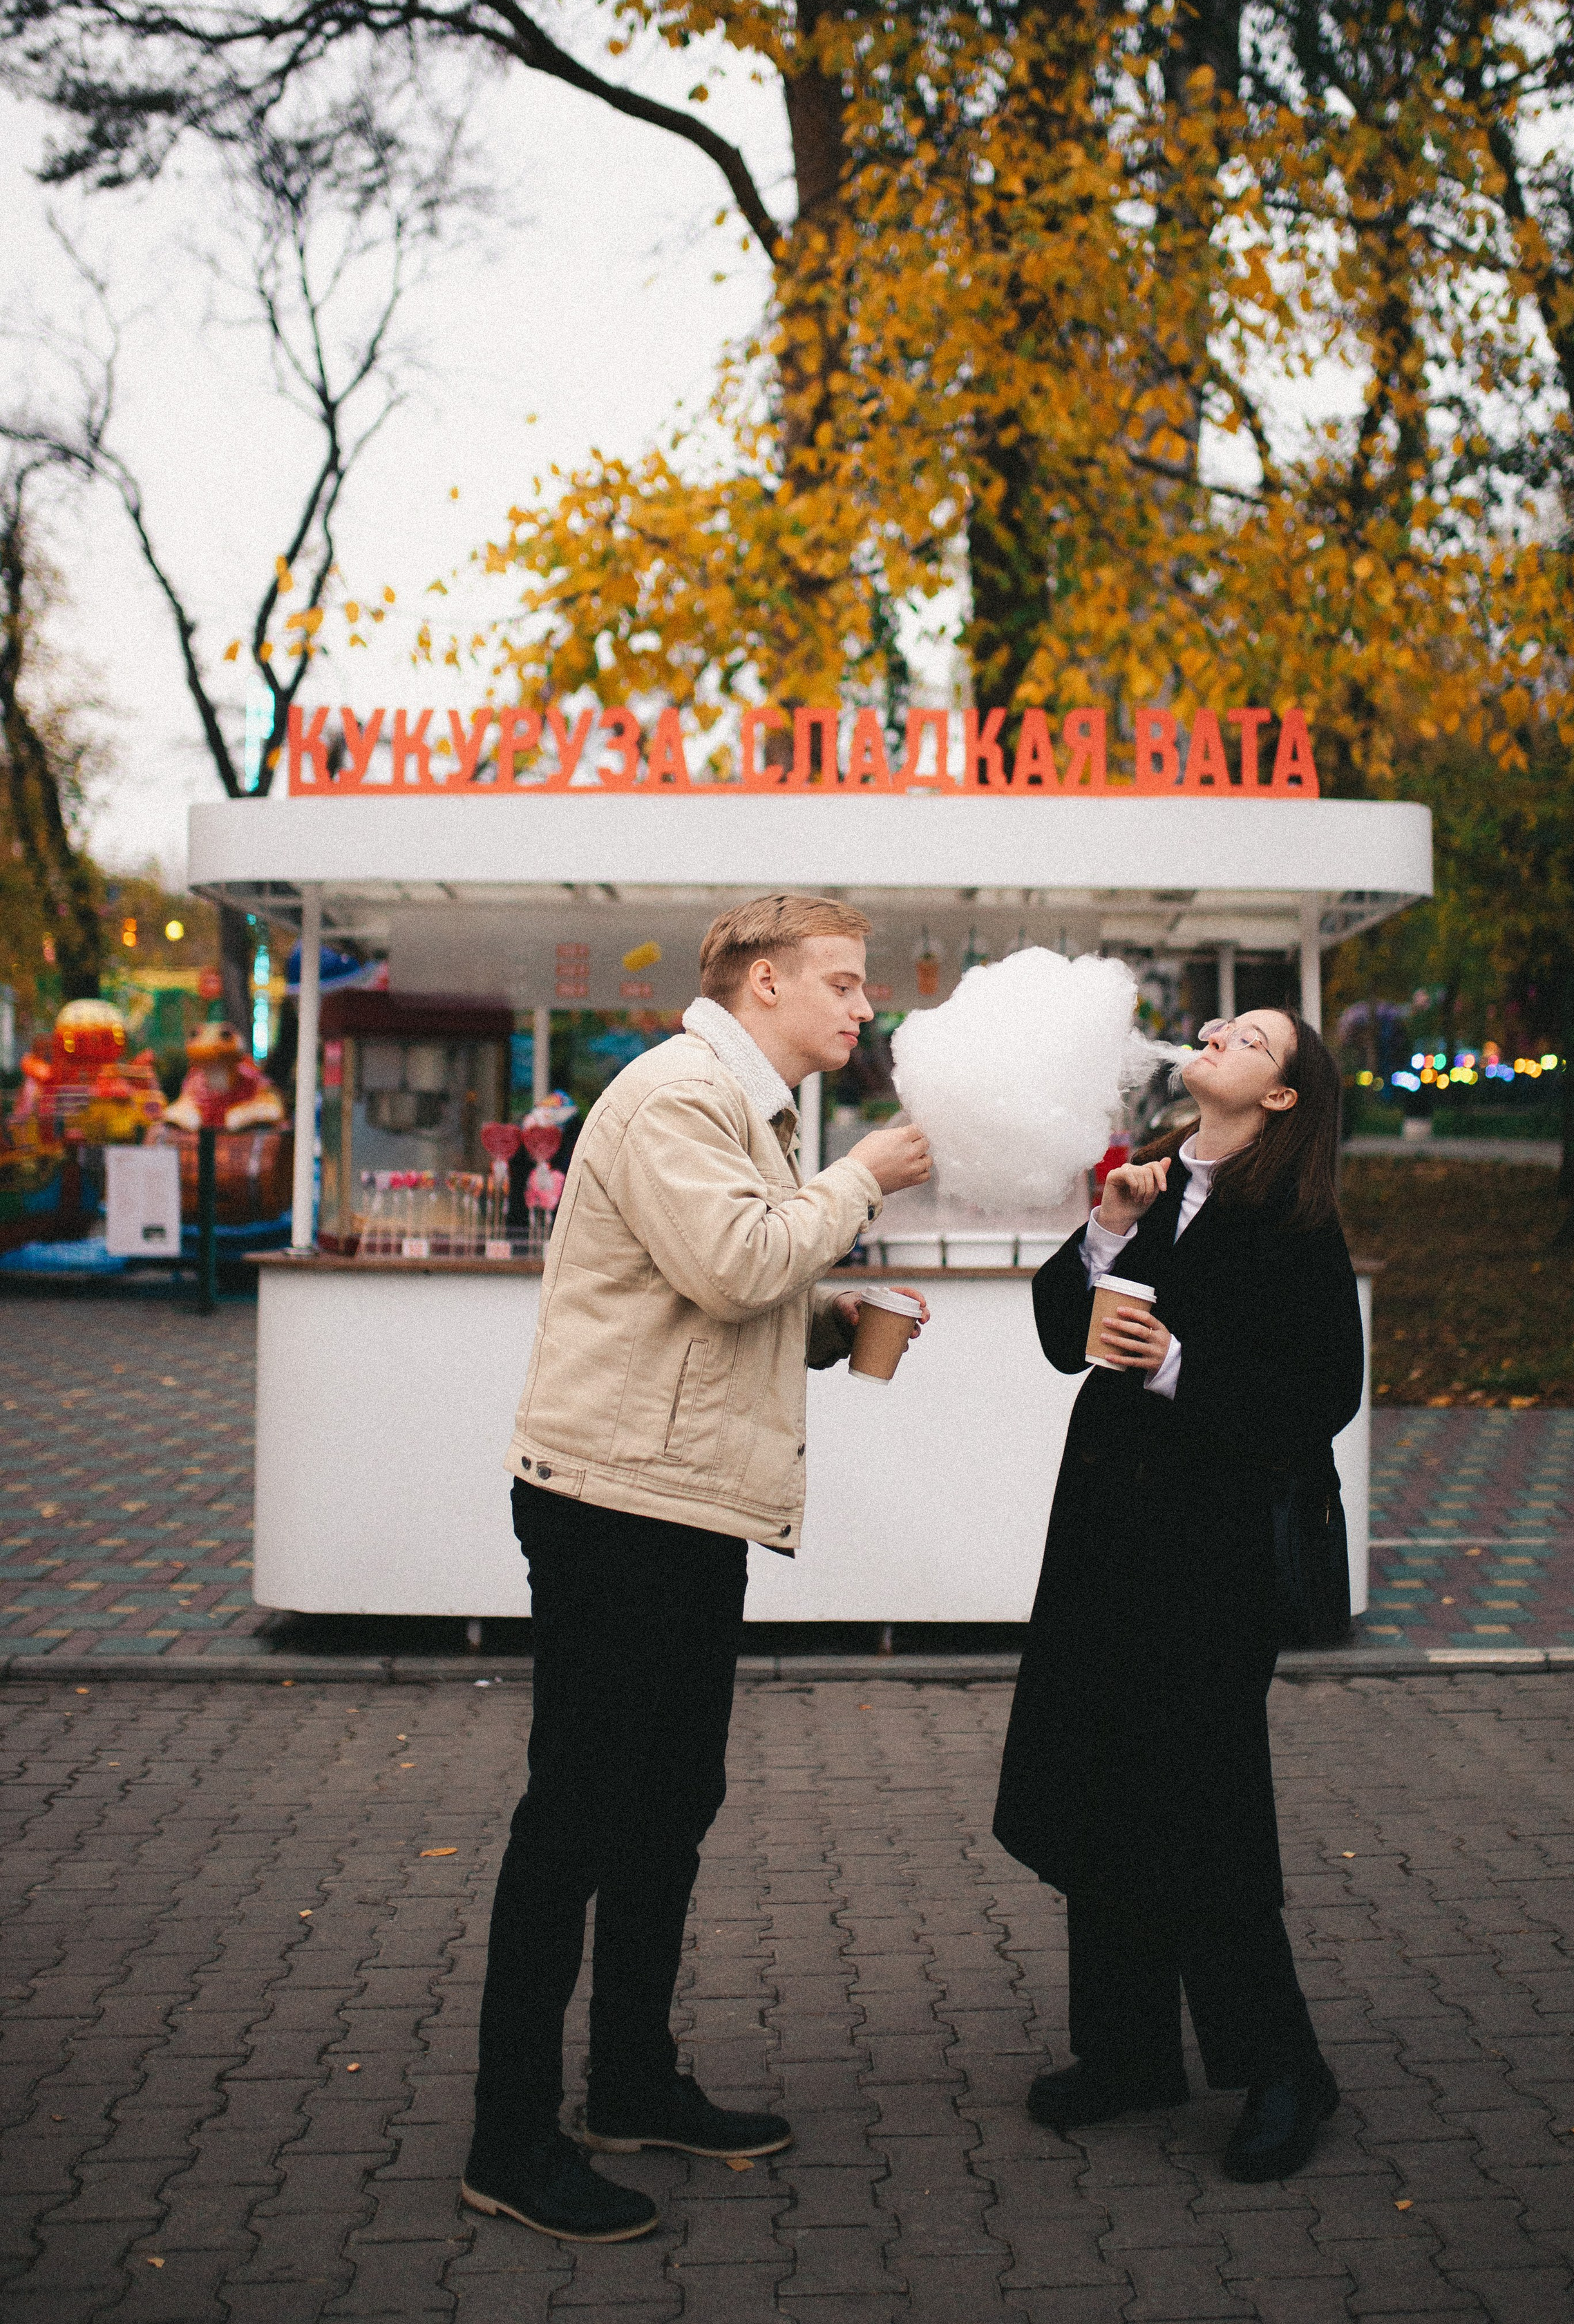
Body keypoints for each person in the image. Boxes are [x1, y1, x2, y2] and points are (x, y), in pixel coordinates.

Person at [463, 894, 931, 2243]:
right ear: (765, 983)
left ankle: (628, 2084)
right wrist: (860, 1183)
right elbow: (731, 1265)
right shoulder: (676, 1094)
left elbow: (723, 1292)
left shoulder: (750, 1111)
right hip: (612, 1507)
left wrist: (834, 1328)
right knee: (576, 1816)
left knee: (668, 1800)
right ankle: (509, 2140)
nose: (859, 1008)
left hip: (678, 1504)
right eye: (841, 984)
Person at [992, 1006, 1363, 2181]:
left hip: (1208, 1562)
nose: (1215, 1033)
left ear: (1285, 1098)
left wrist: (1176, 1368)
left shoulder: (1292, 1218)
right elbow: (1063, 1332)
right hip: (1107, 1545)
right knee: (1103, 1780)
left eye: (1251, 1038)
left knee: (1205, 1808)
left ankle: (1283, 2068)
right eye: (1218, 1024)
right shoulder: (1147, 1187)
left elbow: (1323, 1393)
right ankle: (1128, 2052)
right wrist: (1101, 1234)